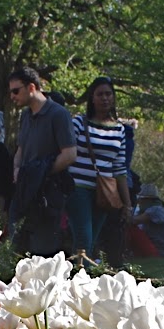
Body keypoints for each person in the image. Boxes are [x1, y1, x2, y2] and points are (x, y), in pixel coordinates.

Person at [9, 67, 78, 255]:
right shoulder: (25, 115)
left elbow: (70, 154)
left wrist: (41, 173)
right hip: (25, 191)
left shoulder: (58, 114)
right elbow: (20, 150)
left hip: (48, 193)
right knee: (17, 248)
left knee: (43, 250)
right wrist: (17, 169)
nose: (12, 96)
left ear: (31, 87)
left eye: (16, 91)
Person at [67, 77, 133, 262]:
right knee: (84, 238)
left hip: (104, 193)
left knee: (91, 240)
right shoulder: (79, 122)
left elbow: (120, 168)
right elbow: (67, 150)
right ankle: (80, 280)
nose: (105, 98)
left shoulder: (119, 129)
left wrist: (127, 204)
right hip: (77, 187)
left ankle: (74, 276)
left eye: (108, 94)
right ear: (92, 98)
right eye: (100, 94)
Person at [128, 184, 164, 258]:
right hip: (158, 251)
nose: (139, 203)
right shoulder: (159, 210)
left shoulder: (155, 210)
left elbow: (133, 221)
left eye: (140, 200)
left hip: (158, 252)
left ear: (147, 200)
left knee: (130, 229)